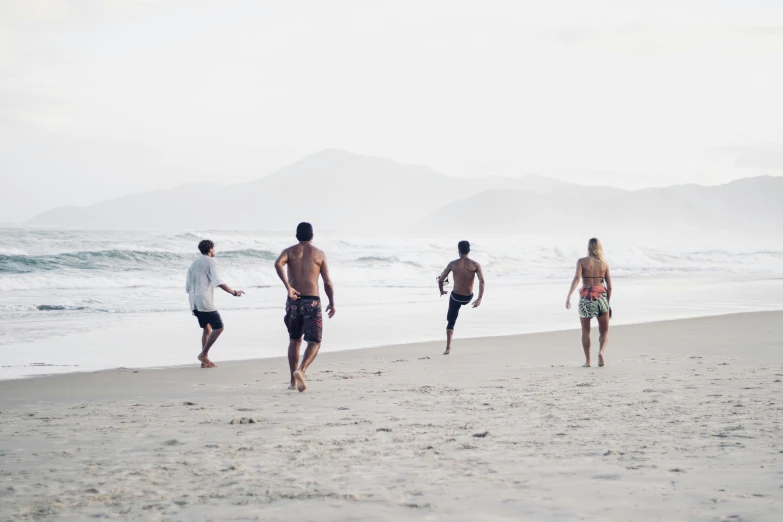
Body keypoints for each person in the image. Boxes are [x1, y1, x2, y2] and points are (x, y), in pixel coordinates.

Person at [274, 222, 335, 392]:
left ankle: (293, 382)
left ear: (296, 236)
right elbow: (327, 282)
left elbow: (278, 264)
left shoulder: (289, 251)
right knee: (314, 341)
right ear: (312, 236)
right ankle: (301, 370)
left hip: (294, 300)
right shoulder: (319, 254)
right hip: (312, 301)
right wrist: (332, 302)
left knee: (295, 340)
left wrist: (288, 287)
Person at [185, 239, 244, 368]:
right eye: (214, 248)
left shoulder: (194, 263)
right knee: (219, 327)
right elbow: (218, 281)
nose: (214, 250)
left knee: (207, 328)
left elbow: (187, 286)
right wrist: (234, 292)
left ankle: (204, 362)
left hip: (194, 301)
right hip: (205, 301)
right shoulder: (210, 261)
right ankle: (204, 354)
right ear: (210, 249)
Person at [566, 238, 612, 367]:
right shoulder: (604, 264)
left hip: (586, 297)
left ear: (588, 247)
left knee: (586, 331)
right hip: (602, 296)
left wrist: (569, 295)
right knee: (604, 331)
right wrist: (607, 302)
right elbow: (610, 287)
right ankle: (601, 352)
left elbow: (576, 278)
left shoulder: (581, 261)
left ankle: (588, 361)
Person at [437, 240, 485, 355]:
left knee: (451, 320)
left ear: (459, 251)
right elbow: (482, 281)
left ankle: (448, 348)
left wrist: (442, 290)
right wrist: (479, 299)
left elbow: (440, 280)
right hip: (469, 297)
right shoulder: (475, 264)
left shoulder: (453, 264)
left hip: (456, 297)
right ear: (469, 250)